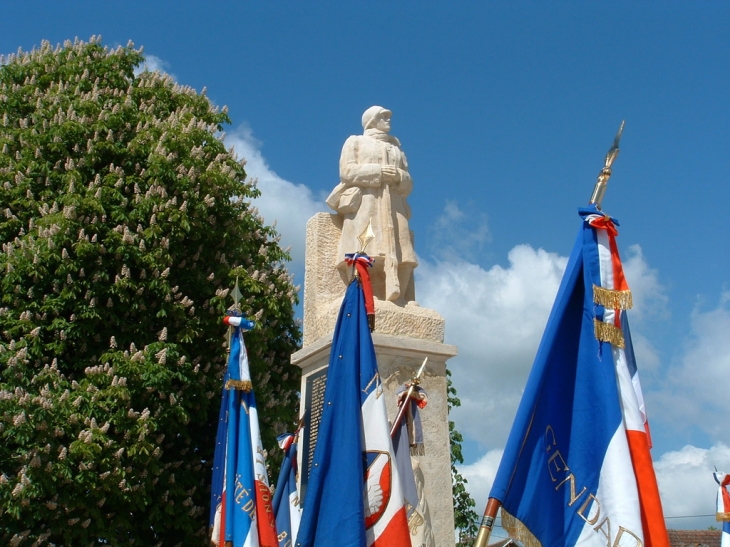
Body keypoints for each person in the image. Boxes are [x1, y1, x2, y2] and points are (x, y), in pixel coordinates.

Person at [326, 106, 417, 303]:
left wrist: (399, 177)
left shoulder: (396, 149)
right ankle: (362, 294)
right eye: (383, 117)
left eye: (388, 117)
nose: (388, 120)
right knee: (364, 248)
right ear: (372, 119)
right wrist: (379, 172)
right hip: (366, 203)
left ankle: (400, 298)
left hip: (395, 205)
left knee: (405, 251)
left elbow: (409, 183)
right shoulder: (356, 141)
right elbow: (347, 172)